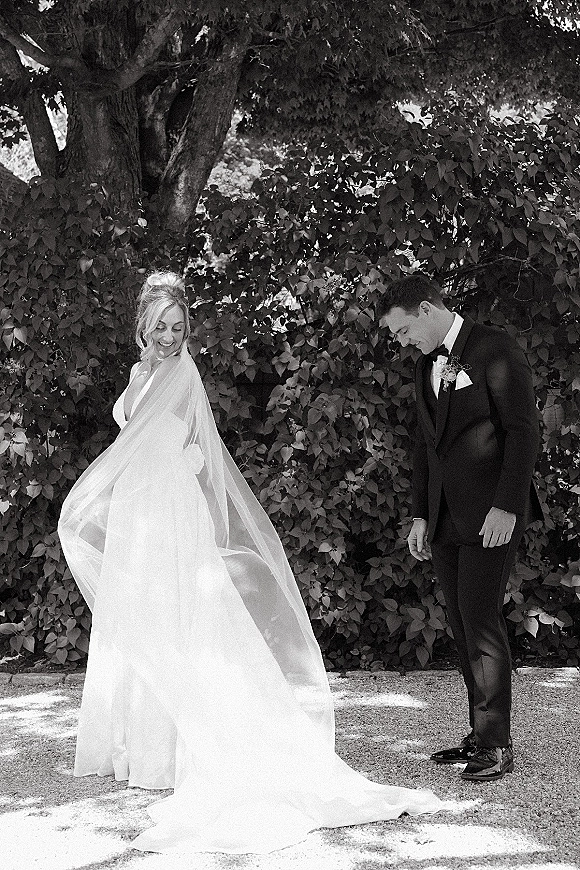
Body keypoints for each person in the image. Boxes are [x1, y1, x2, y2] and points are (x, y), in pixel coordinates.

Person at [58, 270, 445, 855]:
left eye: (178, 327)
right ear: (143, 325)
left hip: (167, 507)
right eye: (160, 326)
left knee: (178, 617)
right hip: (140, 506)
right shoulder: (142, 372)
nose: (169, 336)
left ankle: (173, 748)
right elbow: (139, 436)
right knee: (141, 615)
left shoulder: (180, 373)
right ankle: (134, 744)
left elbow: (179, 443)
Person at [381, 273, 543, 783]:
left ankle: (496, 745)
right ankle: (480, 733)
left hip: (492, 514)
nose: (402, 342)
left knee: (481, 620)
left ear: (427, 309)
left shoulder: (495, 348)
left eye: (404, 330)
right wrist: (421, 513)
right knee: (460, 622)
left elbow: (523, 432)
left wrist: (507, 506)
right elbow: (427, 445)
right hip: (446, 515)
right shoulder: (425, 365)